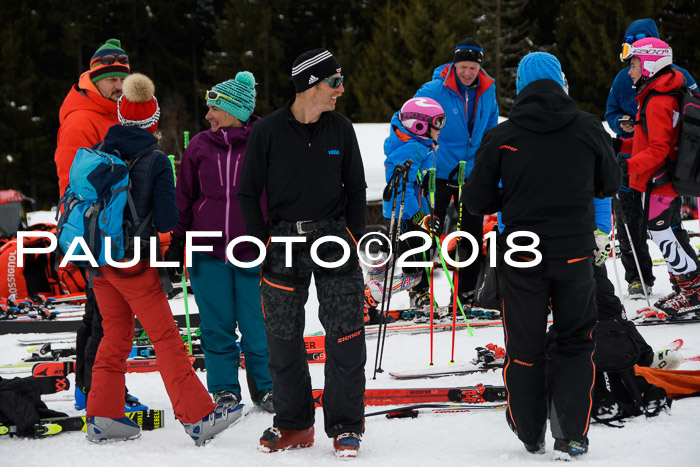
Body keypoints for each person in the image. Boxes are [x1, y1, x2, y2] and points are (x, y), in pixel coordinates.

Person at [463, 52, 621, 458]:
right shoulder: (588, 126)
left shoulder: (502, 135)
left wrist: (515, 195)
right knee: (575, 342)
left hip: (522, 253)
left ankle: (529, 431)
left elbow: (476, 198)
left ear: (521, 88)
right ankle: (571, 433)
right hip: (573, 252)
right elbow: (609, 184)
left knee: (524, 346)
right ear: (561, 82)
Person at [85, 73, 241, 445]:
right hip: (134, 262)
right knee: (167, 338)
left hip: (98, 260)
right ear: (153, 120)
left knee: (115, 336)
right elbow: (170, 219)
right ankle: (199, 416)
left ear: (121, 116)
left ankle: (103, 416)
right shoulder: (154, 161)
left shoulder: (100, 151)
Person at [239, 49, 367, 459]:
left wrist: (353, 236)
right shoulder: (268, 132)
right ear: (311, 85)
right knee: (282, 336)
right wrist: (260, 242)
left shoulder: (341, 129)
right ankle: (294, 425)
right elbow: (247, 191)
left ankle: (346, 426)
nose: (340, 90)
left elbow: (357, 189)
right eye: (334, 82)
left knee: (345, 333)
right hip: (283, 241)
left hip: (333, 237)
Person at [165, 72, 274, 413]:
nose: (208, 115)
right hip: (206, 251)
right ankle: (225, 389)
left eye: (215, 108)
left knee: (257, 325)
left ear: (235, 110)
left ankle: (266, 388)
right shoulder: (199, 145)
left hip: (252, 250)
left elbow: (278, 196)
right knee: (215, 327)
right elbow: (184, 198)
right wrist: (176, 241)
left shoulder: (264, 142)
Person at [53, 38, 143, 411]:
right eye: (110, 79)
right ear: (94, 79)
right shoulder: (82, 120)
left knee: (101, 312)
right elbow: (72, 183)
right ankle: (97, 392)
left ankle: (91, 387)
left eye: (123, 77)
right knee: (106, 315)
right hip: (93, 229)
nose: (118, 85)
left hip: (117, 227)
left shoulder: (116, 114)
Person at [605, 19, 698, 301]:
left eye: (633, 65)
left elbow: (658, 150)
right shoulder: (655, 95)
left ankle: (692, 290)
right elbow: (648, 141)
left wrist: (626, 165)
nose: (628, 72)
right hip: (660, 180)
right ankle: (687, 288)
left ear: (648, 65)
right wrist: (620, 144)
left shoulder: (658, 99)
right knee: (665, 234)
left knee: (664, 235)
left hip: (661, 182)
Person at [413, 38, 499, 309]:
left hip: (471, 172)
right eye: (462, 66)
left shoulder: (487, 90)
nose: (467, 72)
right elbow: (409, 117)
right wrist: (424, 149)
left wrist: (489, 160)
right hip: (438, 170)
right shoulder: (436, 89)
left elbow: (492, 125)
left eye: (472, 67)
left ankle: (466, 291)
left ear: (479, 66)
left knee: (471, 235)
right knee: (427, 231)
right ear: (454, 64)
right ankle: (420, 290)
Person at [364, 97, 445, 323]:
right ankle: (372, 295)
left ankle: (413, 294)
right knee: (413, 267)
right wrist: (422, 218)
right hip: (406, 217)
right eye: (437, 123)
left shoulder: (421, 145)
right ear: (419, 126)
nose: (441, 128)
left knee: (405, 258)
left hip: (411, 216)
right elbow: (403, 190)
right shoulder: (411, 149)